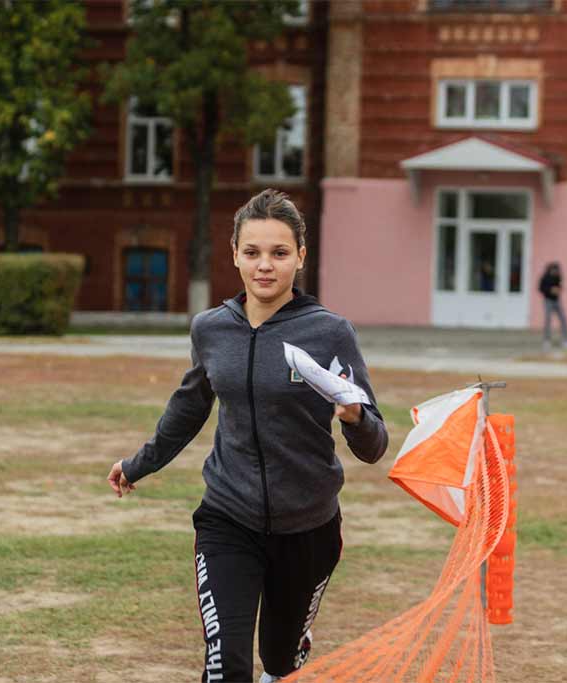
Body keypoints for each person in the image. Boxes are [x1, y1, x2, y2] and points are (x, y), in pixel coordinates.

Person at [107, 189, 389, 683]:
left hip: (308, 527)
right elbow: (189, 407)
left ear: (300, 257)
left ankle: (290, 649)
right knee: (225, 667)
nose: (265, 266)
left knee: (279, 663)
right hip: (227, 518)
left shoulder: (330, 334)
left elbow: (374, 445)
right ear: (234, 254)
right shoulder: (211, 330)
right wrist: (138, 464)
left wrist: (353, 417)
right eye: (253, 252)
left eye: (279, 253)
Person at [539, 261, 567, 350]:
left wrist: (559, 289)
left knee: (563, 319)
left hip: (557, 300)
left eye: (557, 270)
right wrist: (550, 290)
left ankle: (566, 340)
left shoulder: (558, 277)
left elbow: (560, 286)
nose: (556, 272)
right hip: (548, 301)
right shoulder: (545, 278)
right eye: (554, 270)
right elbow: (541, 288)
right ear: (550, 270)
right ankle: (546, 341)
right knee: (548, 320)